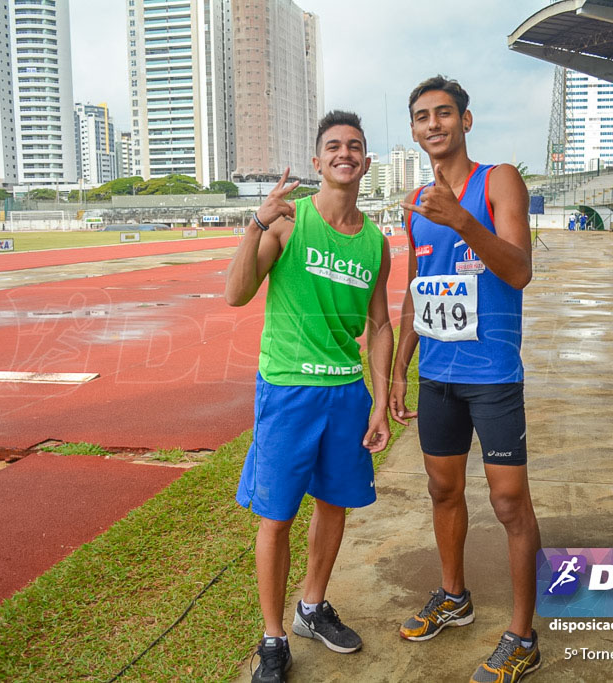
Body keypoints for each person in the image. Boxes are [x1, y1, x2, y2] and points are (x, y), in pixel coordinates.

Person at [225, 110, 393, 683]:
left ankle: (311, 607)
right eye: (333, 147)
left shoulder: (375, 242)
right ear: (319, 161)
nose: (344, 154)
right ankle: (273, 638)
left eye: (354, 147)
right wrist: (255, 223)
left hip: (346, 393)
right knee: (276, 516)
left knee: (334, 504)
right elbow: (235, 293)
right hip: (289, 390)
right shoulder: (290, 224)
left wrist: (377, 399)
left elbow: (381, 325)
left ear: (366, 163)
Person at [390, 75, 542, 683]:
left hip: (493, 374)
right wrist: (399, 371)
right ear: (414, 130)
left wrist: (461, 220)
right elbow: (413, 292)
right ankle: (453, 596)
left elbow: (520, 269)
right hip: (439, 376)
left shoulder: (498, 179)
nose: (434, 125)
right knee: (443, 491)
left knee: (509, 502)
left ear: (465, 121)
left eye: (444, 114)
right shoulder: (413, 205)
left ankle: (523, 636)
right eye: (423, 117)